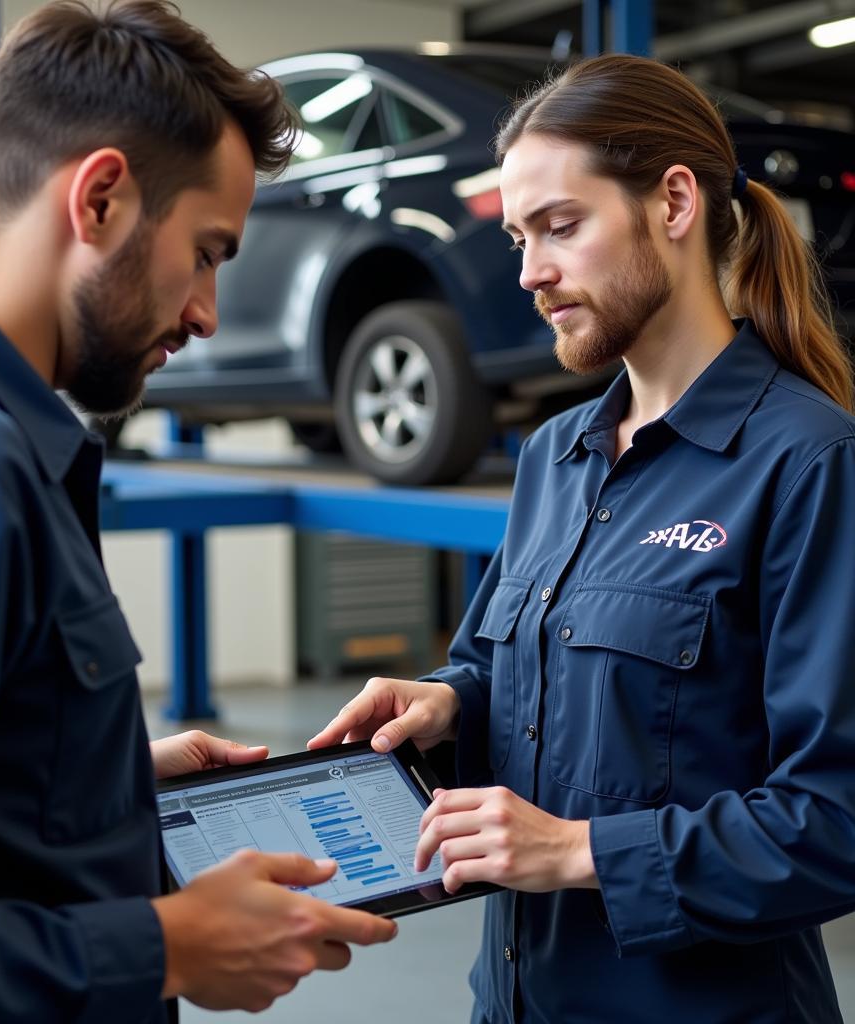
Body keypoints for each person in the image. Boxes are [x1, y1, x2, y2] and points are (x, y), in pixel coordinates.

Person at [0, 2, 396, 1021]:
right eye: (208, 251)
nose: (206, 315)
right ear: (99, 199)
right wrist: (165, 946)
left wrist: (102, 779)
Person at [310, 52, 855, 1024]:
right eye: (519, 237)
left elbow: (837, 819)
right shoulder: (555, 455)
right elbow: (506, 672)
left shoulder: (806, 462)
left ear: (674, 202)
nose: (529, 273)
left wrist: (578, 850)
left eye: (561, 226)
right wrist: (447, 701)